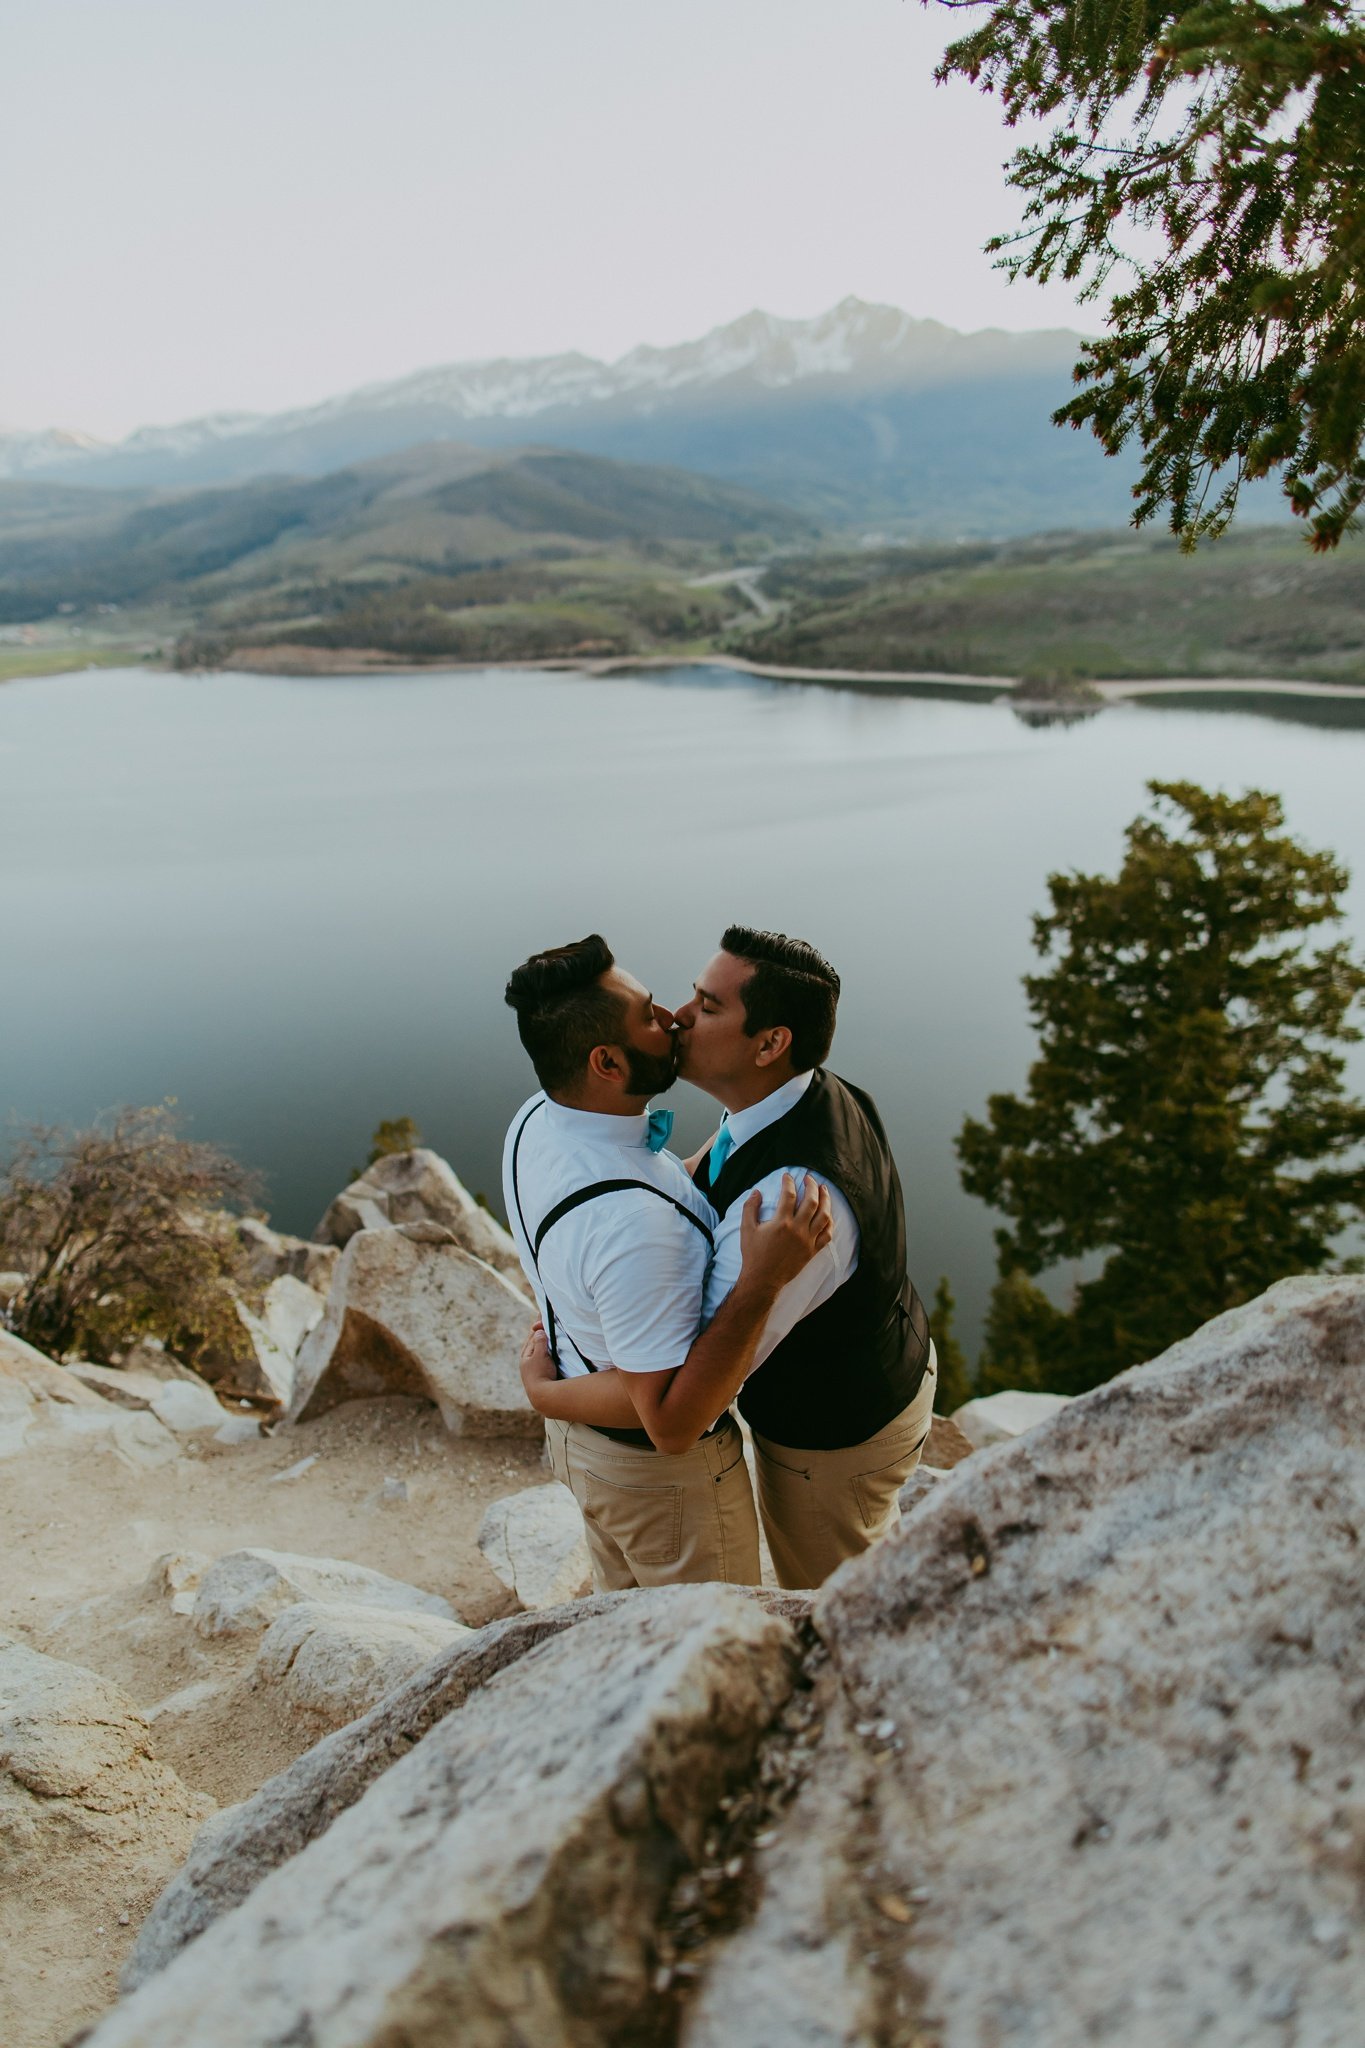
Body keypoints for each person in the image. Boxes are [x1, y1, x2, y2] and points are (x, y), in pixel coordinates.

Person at [522, 926, 936, 1589]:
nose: (680, 1017)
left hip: (833, 1436)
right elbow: (716, 1167)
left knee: (835, 1603)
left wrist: (547, 1392)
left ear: (770, 1044)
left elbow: (680, 1408)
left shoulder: (789, 1207)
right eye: (692, 995)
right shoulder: (791, 1097)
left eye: (709, 1006)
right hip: (878, 1356)